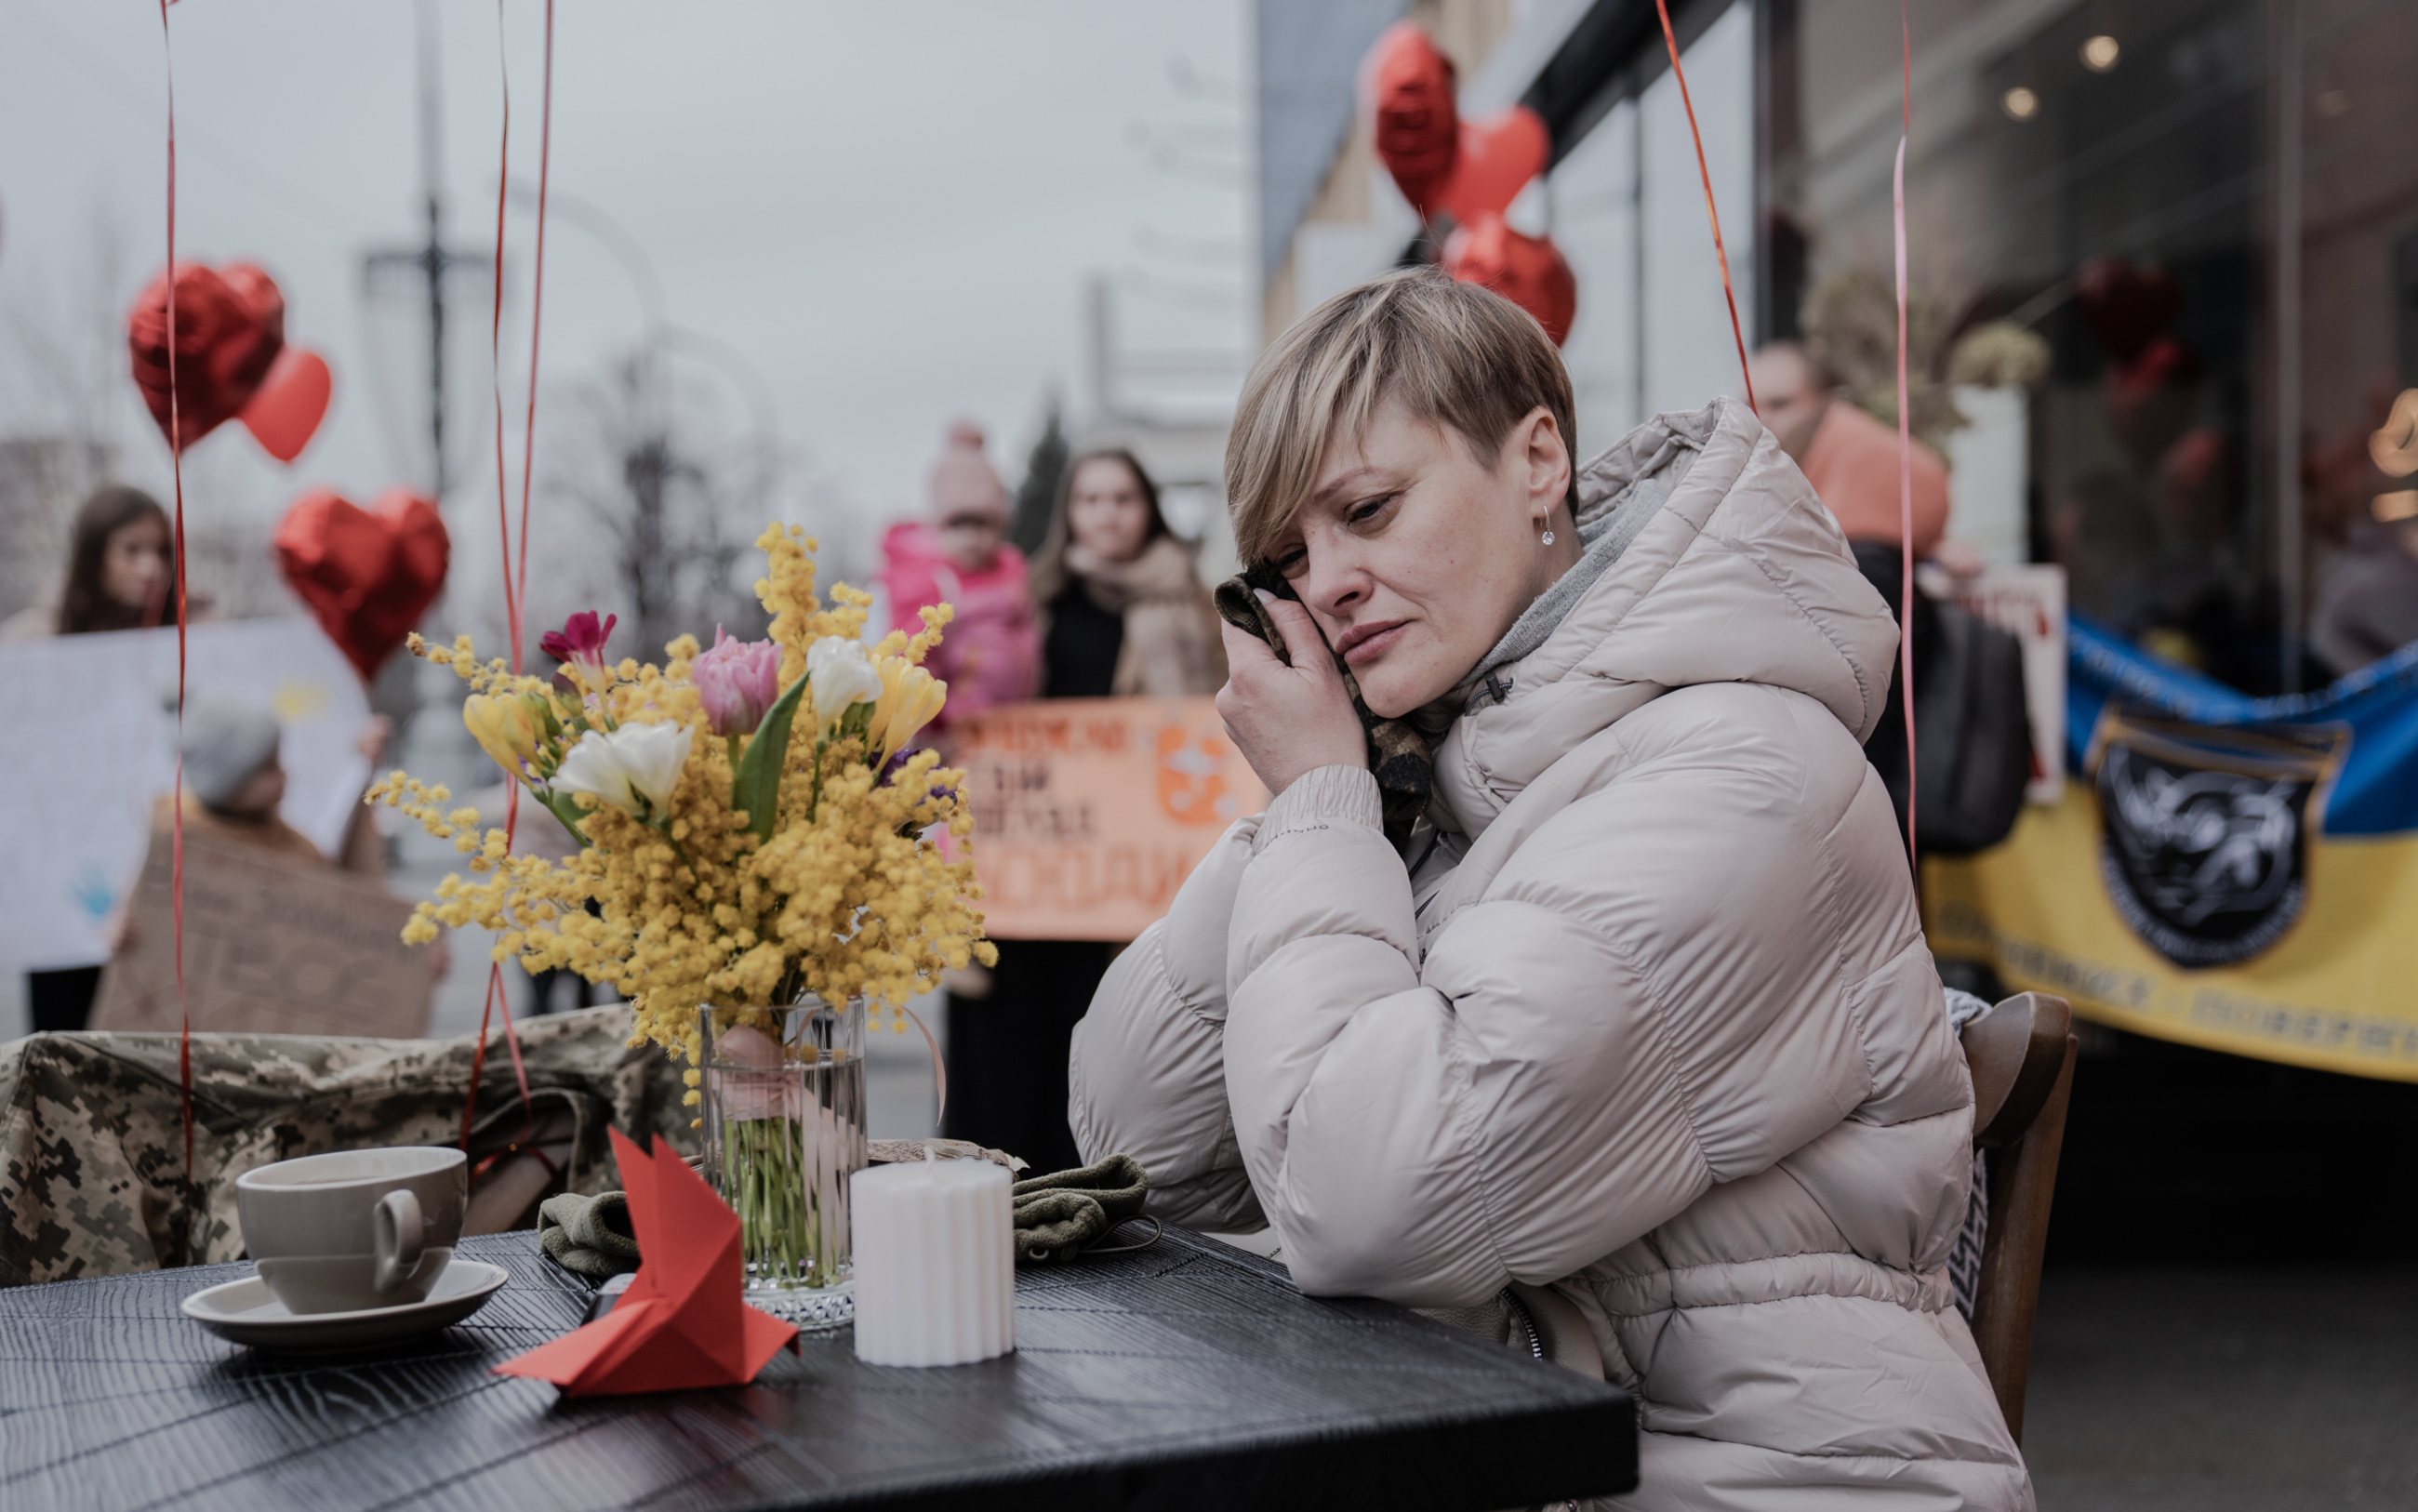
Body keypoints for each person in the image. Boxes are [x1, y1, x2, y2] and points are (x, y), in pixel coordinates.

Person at [1070, 270, 2029, 1509]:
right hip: (1545, 1455)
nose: (1331, 584)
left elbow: (1369, 1208)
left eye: (1369, 508)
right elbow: (1134, 1149)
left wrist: (1319, 799)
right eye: (1289, 561)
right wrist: (1321, 805)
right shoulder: (1450, 771)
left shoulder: (1744, 775)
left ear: (1536, 461)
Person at [942, 447, 1224, 1173]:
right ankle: (992, 1205)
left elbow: (1209, 733)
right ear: (1069, 515)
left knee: (1100, 1057)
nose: (1107, 514)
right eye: (1091, 500)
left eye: (1123, 498)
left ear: (1148, 509)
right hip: (1022, 878)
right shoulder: (1021, 603)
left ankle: (1093, 1214)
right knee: (1007, 1050)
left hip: (1120, 890)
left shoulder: (1190, 606)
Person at [876, 421, 1041, 732]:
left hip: (1015, 721)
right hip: (956, 729)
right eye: (958, 524)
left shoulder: (1010, 575)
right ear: (939, 526)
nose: (970, 537)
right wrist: (928, 727)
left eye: (982, 524)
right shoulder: (931, 581)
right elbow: (913, 661)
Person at [1, 484, 182, 643]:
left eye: (162, 551)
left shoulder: (197, 630)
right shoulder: (31, 643)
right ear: (93, 553)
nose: (151, 568)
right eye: (131, 549)